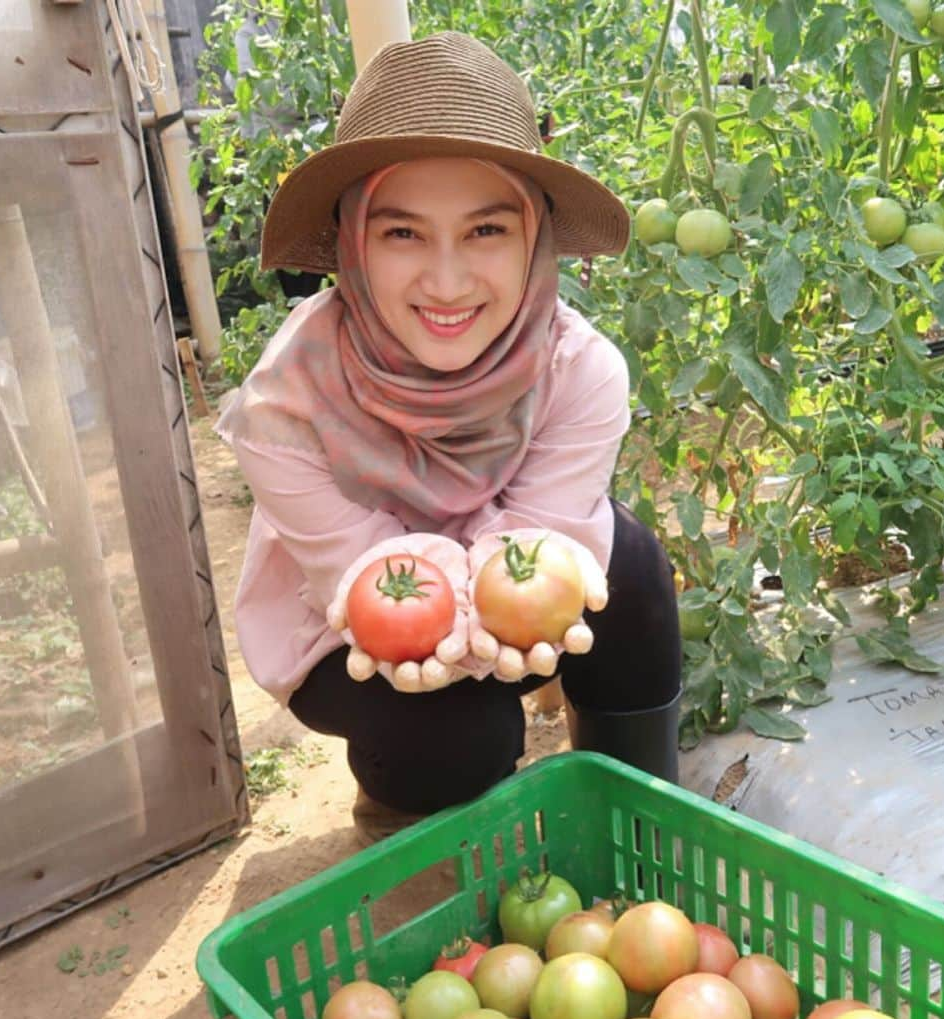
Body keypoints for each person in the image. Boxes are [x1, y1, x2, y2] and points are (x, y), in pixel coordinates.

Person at [216, 31, 682, 844]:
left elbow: (532, 543)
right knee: (454, 735)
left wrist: (497, 616)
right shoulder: (286, 401)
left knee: (632, 568)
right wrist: (468, 633)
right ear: (353, 244)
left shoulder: (580, 372)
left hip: (507, 579)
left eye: (486, 232)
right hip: (350, 623)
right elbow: (363, 580)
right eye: (401, 234)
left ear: (535, 237)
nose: (446, 281)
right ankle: (403, 791)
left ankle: (633, 823)